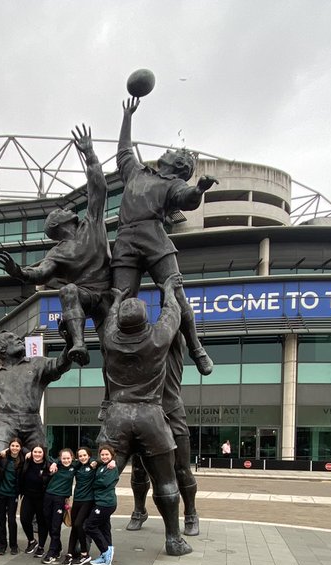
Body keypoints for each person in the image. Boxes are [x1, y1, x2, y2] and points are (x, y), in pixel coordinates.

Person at [113, 96, 218, 378]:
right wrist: (127, 116)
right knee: (117, 302)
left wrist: (199, 190)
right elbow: (123, 151)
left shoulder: (174, 184)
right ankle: (114, 385)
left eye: (174, 153)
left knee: (175, 291)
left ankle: (196, 348)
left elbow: (187, 199)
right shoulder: (136, 172)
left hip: (153, 237)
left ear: (179, 165)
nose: (168, 152)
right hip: (125, 241)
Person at [0, 124, 111, 367]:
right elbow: (38, 273)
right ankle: (79, 344)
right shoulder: (57, 253)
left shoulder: (92, 223)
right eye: (62, 210)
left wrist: (90, 154)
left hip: (113, 286)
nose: (68, 209)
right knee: (67, 290)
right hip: (88, 297)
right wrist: (17, 271)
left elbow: (98, 187)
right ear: (59, 223)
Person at [97, 286, 192, 556]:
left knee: (103, 478)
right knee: (166, 480)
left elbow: (111, 318)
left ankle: (86, 534)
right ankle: (173, 540)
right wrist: (170, 290)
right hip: (151, 415)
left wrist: (115, 298)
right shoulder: (158, 338)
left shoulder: (110, 340)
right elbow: (172, 314)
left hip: (117, 417)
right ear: (143, 320)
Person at [86, 443, 121, 565]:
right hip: (102, 501)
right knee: (104, 527)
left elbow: (104, 482)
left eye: (107, 455)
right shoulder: (102, 465)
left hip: (105, 503)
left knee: (90, 525)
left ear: (112, 456)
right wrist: (96, 462)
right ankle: (106, 555)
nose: (105, 457)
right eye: (102, 454)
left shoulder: (111, 467)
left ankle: (106, 551)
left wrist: (92, 483)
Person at [64, 446, 100, 565]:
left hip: (88, 500)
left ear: (89, 456)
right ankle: (69, 553)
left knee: (79, 523)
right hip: (77, 500)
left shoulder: (93, 465)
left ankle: (85, 554)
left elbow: (105, 459)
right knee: (74, 526)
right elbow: (65, 461)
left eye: (84, 455)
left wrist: (110, 462)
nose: (82, 457)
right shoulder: (77, 466)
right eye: (80, 456)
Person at [41, 448, 76, 565]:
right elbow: (46, 455)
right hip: (48, 495)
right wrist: (56, 462)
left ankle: (52, 553)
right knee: (48, 523)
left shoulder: (74, 467)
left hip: (60, 499)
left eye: (68, 458)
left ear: (72, 458)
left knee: (56, 525)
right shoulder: (57, 464)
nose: (66, 460)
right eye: (63, 458)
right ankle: (57, 547)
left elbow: (89, 460)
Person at [0, 438, 24, 554]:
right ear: (9, 447)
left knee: (12, 520)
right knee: (1, 520)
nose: (15, 448)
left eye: (17, 446)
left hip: (13, 494)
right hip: (0, 493)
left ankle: (14, 545)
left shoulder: (22, 460)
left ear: (20, 448)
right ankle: (2, 545)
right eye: (12, 446)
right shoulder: (2, 458)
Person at [19, 445, 51, 555]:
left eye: (39, 452)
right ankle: (32, 541)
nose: (37, 454)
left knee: (42, 523)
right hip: (28, 496)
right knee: (24, 519)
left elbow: (60, 461)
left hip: (42, 498)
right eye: (35, 452)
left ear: (44, 453)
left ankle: (41, 546)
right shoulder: (27, 462)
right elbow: (17, 447)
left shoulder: (48, 464)